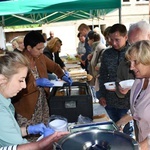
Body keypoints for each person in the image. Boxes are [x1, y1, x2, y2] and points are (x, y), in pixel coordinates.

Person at [12, 31, 72, 142]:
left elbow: (54, 66)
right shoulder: (18, 62)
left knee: (43, 133)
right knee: (30, 138)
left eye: (42, 48)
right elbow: (17, 90)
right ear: (29, 48)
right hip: (27, 107)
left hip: (42, 102)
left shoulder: (39, 57)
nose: (41, 51)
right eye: (38, 49)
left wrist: (63, 75)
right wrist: (36, 83)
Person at [0, 51, 69, 148]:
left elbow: (8, 133)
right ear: (2, 79)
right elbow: (18, 146)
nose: (24, 86)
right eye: (20, 80)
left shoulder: (5, 101)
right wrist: (42, 144)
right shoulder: (1, 111)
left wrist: (28, 129)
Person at [97, 23, 133, 136]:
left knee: (127, 135)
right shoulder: (107, 53)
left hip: (127, 104)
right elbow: (102, 75)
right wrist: (101, 95)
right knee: (112, 133)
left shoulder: (133, 52)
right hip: (110, 101)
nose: (113, 43)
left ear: (126, 37)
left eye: (117, 40)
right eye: (111, 39)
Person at [125, 40, 150, 149]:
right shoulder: (139, 81)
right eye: (130, 62)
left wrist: (138, 147)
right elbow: (137, 109)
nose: (131, 67)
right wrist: (120, 123)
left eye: (135, 62)